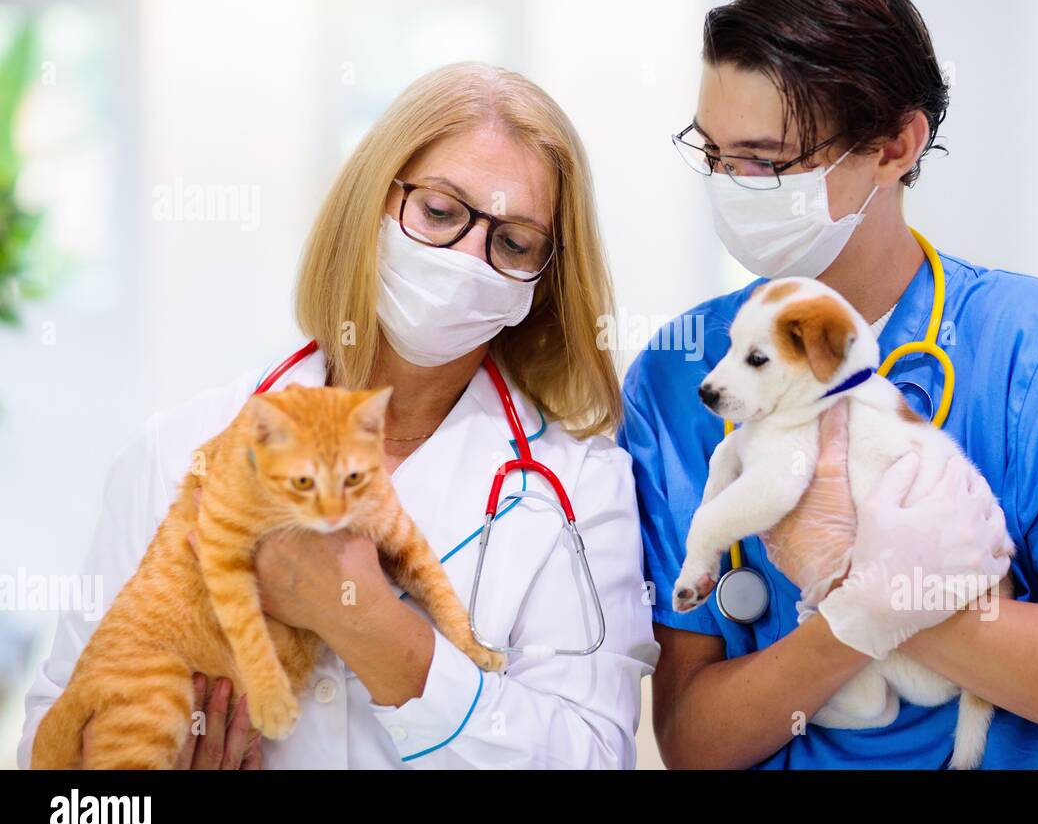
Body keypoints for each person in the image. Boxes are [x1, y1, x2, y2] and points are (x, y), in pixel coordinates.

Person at [619, 0, 1038, 769]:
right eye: (716, 155)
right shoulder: (678, 374)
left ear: (896, 144)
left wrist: (895, 596)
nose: (734, 186)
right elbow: (694, 743)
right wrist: (864, 610)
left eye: (768, 161)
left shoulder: (1030, 349)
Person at [21, 62, 658, 769]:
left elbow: (594, 759)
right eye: (441, 212)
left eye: (512, 243)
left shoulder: (581, 486)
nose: (468, 259)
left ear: (542, 282)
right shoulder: (176, 450)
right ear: (372, 204)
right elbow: (58, 756)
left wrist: (364, 621)